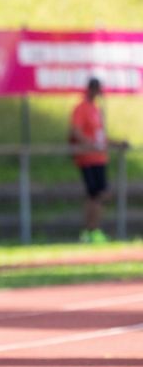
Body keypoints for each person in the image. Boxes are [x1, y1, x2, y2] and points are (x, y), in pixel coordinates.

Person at [69, 77, 117, 243]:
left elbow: (101, 135)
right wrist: (90, 144)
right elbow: (76, 131)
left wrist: (115, 143)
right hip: (88, 158)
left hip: (100, 158)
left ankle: (92, 230)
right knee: (95, 194)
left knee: (98, 195)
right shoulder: (81, 108)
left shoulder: (96, 109)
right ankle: (91, 231)